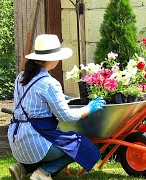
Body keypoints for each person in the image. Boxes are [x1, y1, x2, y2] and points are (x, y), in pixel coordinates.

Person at [8, 34, 106, 180]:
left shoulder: (21, 77)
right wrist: (89, 108)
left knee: (63, 144)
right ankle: (43, 173)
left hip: (17, 141)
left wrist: (60, 99)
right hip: (35, 142)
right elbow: (67, 117)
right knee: (81, 146)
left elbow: (31, 103)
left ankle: (22, 168)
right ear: (51, 59)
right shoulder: (49, 83)